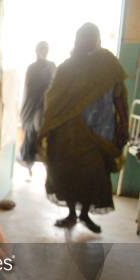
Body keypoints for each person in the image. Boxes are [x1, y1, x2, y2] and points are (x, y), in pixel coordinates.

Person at [39, 23, 129, 233]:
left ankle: (85, 214)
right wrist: (50, 125)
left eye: (92, 37)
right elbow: (53, 98)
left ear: (98, 39)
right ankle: (71, 214)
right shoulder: (67, 67)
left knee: (94, 175)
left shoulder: (109, 64)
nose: (88, 41)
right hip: (67, 134)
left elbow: (119, 97)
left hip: (99, 133)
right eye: (84, 38)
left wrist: (124, 125)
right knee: (67, 173)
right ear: (78, 41)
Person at [19, 41, 56, 175]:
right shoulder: (31, 68)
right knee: (30, 133)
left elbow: (55, 84)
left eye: (46, 49)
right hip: (33, 105)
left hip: (46, 106)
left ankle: (48, 167)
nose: (44, 52)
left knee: (45, 136)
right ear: (37, 51)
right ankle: (29, 163)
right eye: (42, 49)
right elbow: (28, 88)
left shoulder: (51, 66)